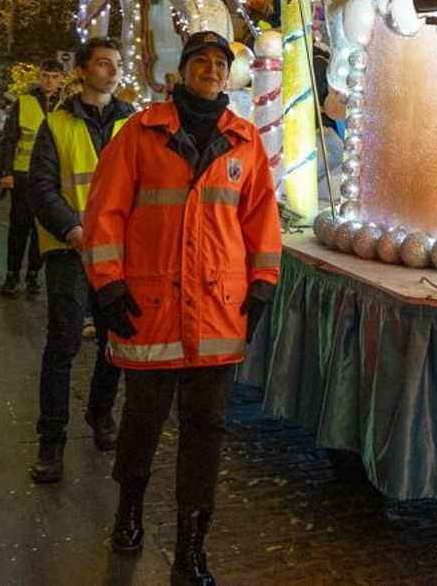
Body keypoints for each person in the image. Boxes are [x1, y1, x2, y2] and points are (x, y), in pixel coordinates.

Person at [82, 32, 282, 585]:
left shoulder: (244, 141)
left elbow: (262, 221)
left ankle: (193, 546)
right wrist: (108, 286)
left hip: (218, 314)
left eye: (221, 63)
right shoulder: (140, 133)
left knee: (206, 429)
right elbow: (105, 212)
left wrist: (262, 284)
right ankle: (129, 512)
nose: (213, 70)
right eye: (203, 62)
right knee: (143, 419)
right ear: (184, 71)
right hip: (150, 308)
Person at [26, 38, 133, 484]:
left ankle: (100, 413)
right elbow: (42, 187)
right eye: (104, 64)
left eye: (117, 65)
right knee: (63, 343)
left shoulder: (134, 124)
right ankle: (52, 438)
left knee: (117, 342)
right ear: (83, 71)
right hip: (70, 250)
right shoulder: (57, 124)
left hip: (120, 253)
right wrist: (73, 229)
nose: (112, 71)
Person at [0, 61, 68, 297]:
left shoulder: (65, 106)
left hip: (51, 178)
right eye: (45, 76)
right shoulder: (23, 102)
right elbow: (9, 139)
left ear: (61, 80)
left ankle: (33, 274)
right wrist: (6, 172)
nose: (49, 80)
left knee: (43, 230)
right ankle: (12, 274)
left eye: (54, 76)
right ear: (39, 77)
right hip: (23, 174)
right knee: (19, 227)